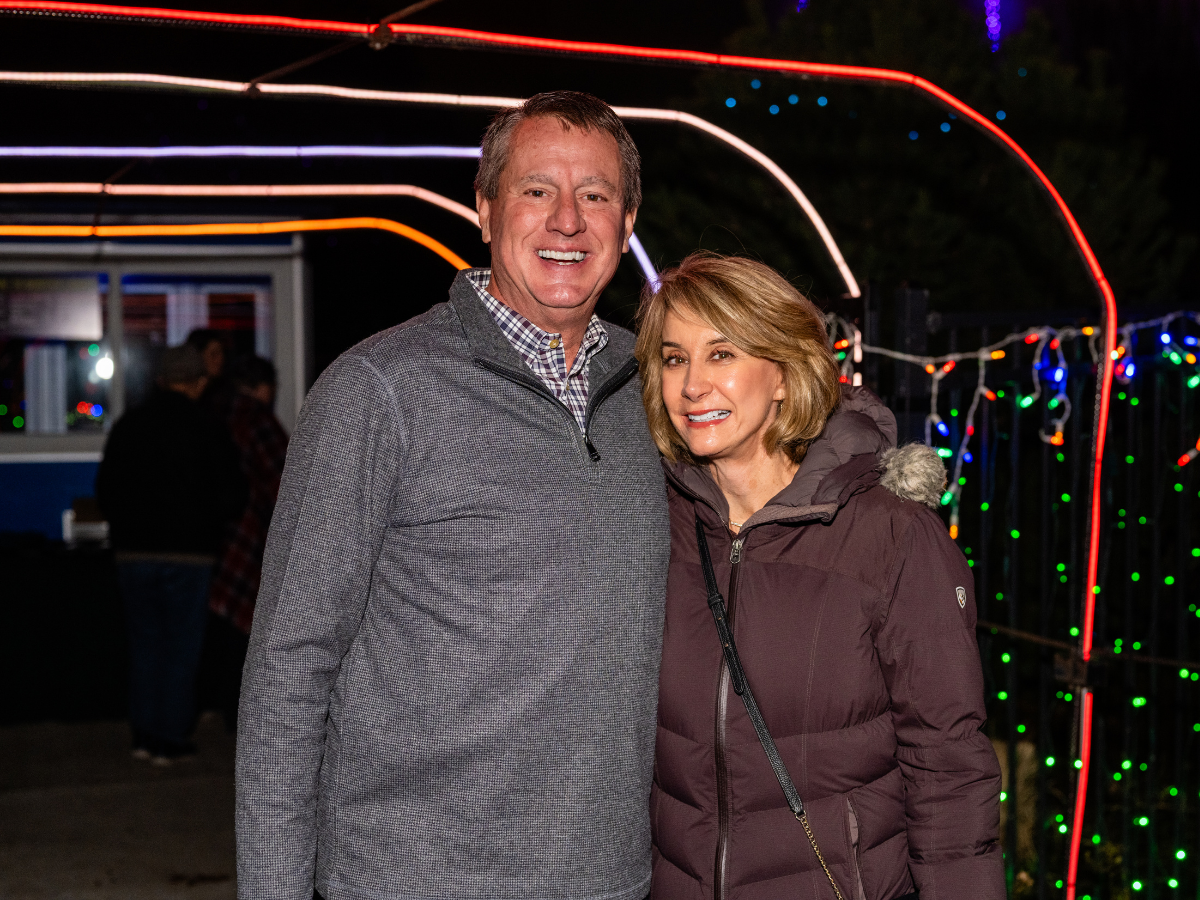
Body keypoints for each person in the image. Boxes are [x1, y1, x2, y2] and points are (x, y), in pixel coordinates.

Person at [236, 91, 670, 900]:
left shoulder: (660, 394)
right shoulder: (379, 391)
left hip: (608, 881)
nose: (568, 221)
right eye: (537, 189)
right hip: (414, 878)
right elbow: (288, 674)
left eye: (597, 195)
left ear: (628, 220)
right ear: (484, 207)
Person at [634, 254, 1004, 900]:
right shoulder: (646, 524)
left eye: (722, 355)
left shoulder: (889, 536)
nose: (692, 385)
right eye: (673, 358)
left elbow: (948, 768)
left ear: (782, 373)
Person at [96, 344, 244, 764]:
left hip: (133, 553)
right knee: (181, 647)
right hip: (189, 554)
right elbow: (232, 495)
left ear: (160, 380)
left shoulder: (130, 424)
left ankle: (143, 734)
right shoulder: (207, 426)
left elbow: (106, 489)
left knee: (145, 644)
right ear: (199, 382)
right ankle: (170, 738)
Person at [206, 355, 288, 727]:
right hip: (251, 534)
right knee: (246, 627)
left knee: (219, 624)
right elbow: (284, 487)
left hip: (212, 535)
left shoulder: (210, 415)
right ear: (261, 387)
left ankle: (214, 702)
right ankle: (238, 711)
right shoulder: (258, 422)